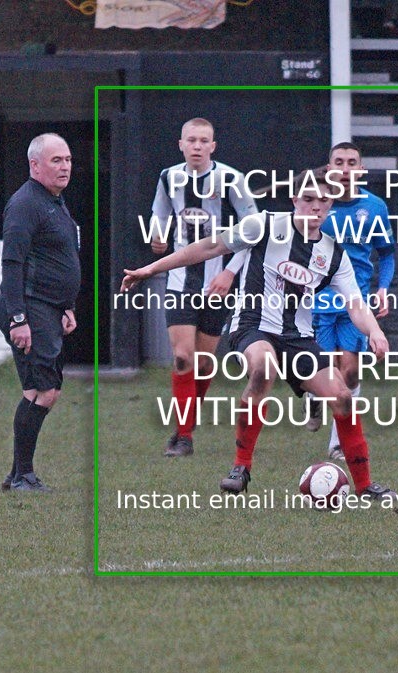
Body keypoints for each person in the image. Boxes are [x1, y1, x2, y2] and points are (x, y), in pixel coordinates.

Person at [121, 172, 398, 510]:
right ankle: (241, 467)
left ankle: (365, 486)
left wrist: (374, 331)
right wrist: (150, 270)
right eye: (308, 199)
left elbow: (356, 304)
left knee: (342, 395)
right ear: (295, 200)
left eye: (322, 202)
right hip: (253, 326)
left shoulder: (333, 254)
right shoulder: (263, 225)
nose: (314, 207)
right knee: (263, 367)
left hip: (298, 338)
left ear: (330, 207)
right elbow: (206, 248)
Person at [149, 117, 257, 457]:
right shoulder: (168, 177)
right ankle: (184, 436)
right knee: (183, 357)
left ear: (213, 146)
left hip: (216, 282)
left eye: (203, 140)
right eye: (191, 140)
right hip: (181, 280)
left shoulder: (232, 179)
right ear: (181, 144)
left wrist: (230, 274)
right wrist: (157, 233)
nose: (196, 146)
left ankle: (185, 421)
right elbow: (159, 211)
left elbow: (253, 232)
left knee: (206, 363)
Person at [0, 133, 81, 492]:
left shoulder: (54, 201)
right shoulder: (25, 204)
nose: (64, 167)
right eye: (55, 161)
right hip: (29, 309)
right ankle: (23, 476)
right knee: (45, 392)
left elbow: (54, 258)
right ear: (35, 165)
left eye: (67, 160)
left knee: (36, 389)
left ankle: (18, 475)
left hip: (48, 308)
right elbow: (12, 263)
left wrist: (67, 305)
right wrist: (18, 319)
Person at [307, 142, 395, 462]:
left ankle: (336, 442)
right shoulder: (317, 206)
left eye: (351, 163)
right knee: (325, 371)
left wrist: (383, 287)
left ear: (361, 170)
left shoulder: (374, 207)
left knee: (351, 373)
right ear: (329, 168)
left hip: (354, 300)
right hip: (316, 299)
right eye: (339, 162)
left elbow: (386, 254)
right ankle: (313, 396)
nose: (345, 169)